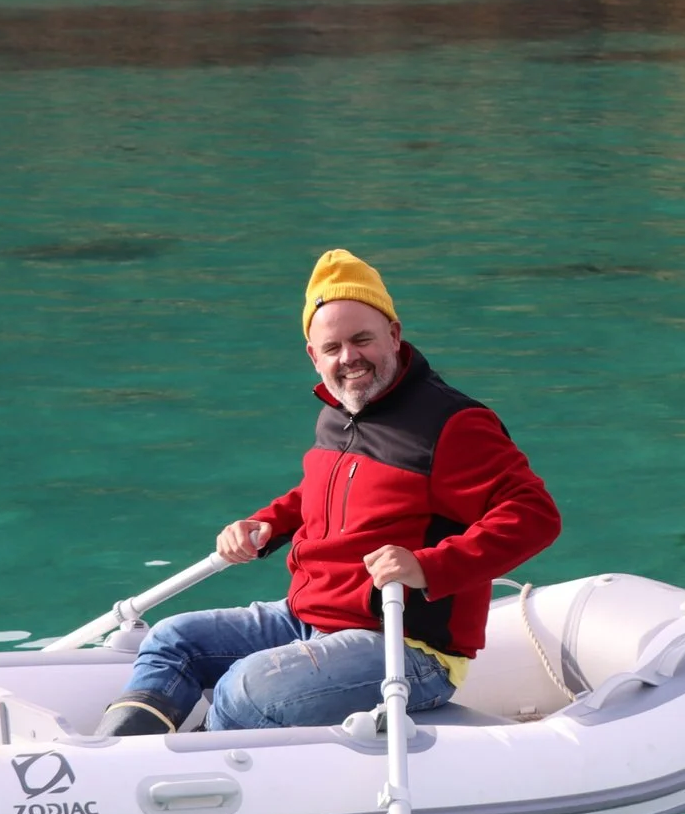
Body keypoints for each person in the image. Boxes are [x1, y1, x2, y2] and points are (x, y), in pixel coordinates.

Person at [95, 248, 561, 734]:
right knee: (173, 641)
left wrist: (428, 566)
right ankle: (112, 763)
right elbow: (320, 490)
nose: (349, 358)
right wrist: (269, 522)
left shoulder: (455, 424)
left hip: (407, 646)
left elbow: (535, 515)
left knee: (244, 689)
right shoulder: (339, 412)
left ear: (395, 336)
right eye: (333, 347)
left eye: (363, 340)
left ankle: (185, 781)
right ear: (313, 355)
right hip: (308, 616)